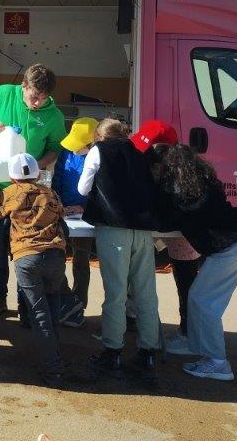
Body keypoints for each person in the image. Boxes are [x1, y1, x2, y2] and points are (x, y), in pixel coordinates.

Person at [157, 145, 237, 381]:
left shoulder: (174, 190)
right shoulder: (208, 181)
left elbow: (165, 220)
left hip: (229, 247)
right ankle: (196, 346)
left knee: (202, 299)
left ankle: (216, 361)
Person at [0, 64, 66, 318]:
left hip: (27, 192)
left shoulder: (53, 115)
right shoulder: (4, 93)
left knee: (27, 249)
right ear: (23, 85)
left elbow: (56, 148)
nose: (36, 103)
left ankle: (27, 304)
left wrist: (37, 165)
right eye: (34, 96)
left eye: (43, 98)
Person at [77, 118, 162, 384]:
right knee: (146, 292)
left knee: (115, 293)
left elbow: (83, 188)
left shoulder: (98, 151)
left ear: (100, 136)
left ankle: (113, 350)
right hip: (143, 230)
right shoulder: (140, 152)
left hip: (113, 229)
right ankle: (148, 351)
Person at [0, 153, 68, 386]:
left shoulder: (7, 193)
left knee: (39, 314)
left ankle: (52, 369)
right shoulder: (50, 192)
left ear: (12, 177)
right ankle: (55, 356)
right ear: (36, 173)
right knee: (53, 308)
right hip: (55, 256)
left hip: (27, 257)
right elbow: (61, 214)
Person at [130, 120, 201, 357]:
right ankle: (182, 331)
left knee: (187, 285)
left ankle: (189, 334)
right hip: (169, 234)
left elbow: (175, 208)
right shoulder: (158, 165)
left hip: (184, 237)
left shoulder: (180, 173)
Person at [52, 116, 98, 308]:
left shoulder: (97, 156)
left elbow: (99, 190)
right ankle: (63, 299)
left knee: (81, 260)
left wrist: (85, 207)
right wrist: (57, 203)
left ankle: (79, 302)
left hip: (84, 216)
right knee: (55, 259)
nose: (74, 148)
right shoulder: (66, 152)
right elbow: (58, 178)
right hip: (63, 212)